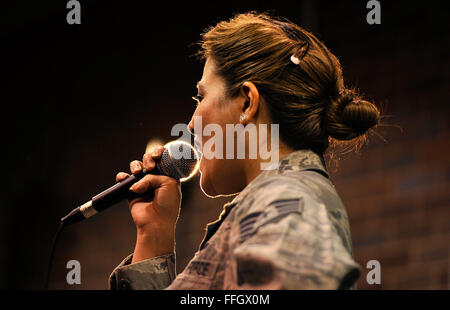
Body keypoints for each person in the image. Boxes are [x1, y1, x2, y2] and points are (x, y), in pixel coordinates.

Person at [108, 12, 380, 290]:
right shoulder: (276, 206)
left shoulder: (286, 205)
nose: (190, 123)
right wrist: (153, 234)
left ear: (247, 103)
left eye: (201, 96)